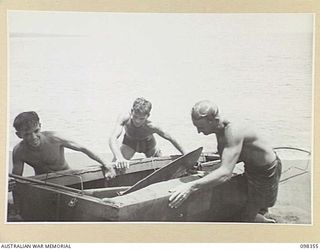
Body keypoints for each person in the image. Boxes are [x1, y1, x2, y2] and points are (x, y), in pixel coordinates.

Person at [168, 100, 282, 223]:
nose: (198, 132)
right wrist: (207, 172)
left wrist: (190, 187)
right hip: (250, 167)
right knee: (245, 204)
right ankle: (259, 213)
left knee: (249, 217)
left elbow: (226, 172)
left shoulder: (233, 131)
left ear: (213, 120)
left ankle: (265, 221)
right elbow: (226, 160)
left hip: (266, 170)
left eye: (200, 127)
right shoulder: (219, 129)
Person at [11, 111, 116, 179]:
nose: (33, 137)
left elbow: (84, 148)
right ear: (19, 135)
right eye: (27, 134)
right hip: (42, 183)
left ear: (40, 126)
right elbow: (17, 179)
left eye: (36, 131)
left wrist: (106, 164)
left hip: (67, 177)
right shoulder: (19, 152)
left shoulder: (55, 138)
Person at [109, 97, 186, 169]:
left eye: (141, 118)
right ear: (132, 111)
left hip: (148, 145)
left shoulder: (152, 126)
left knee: (160, 167)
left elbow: (171, 138)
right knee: (115, 165)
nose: (137, 121)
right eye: (135, 117)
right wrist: (119, 157)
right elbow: (113, 138)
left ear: (148, 116)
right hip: (130, 143)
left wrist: (185, 153)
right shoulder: (124, 118)